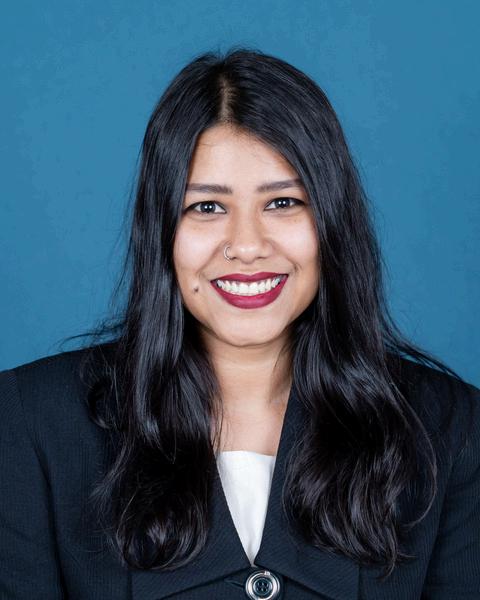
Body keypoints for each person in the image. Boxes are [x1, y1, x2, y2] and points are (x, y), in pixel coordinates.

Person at [0, 47, 479, 600]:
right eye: (206, 207)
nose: (247, 246)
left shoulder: (451, 428)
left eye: (283, 202)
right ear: (160, 230)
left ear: (332, 221)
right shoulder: (30, 422)